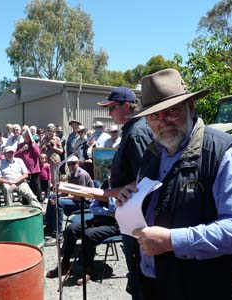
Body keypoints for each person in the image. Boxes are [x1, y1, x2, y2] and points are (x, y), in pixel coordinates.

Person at [116, 69, 232, 299]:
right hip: (155, 285)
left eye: (171, 111)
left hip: (207, 288)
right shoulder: (153, 152)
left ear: (191, 106)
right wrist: (129, 197)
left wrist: (173, 241)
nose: (162, 122)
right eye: (154, 116)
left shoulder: (224, 153)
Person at [94, 86, 153, 299]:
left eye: (112, 107)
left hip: (137, 216)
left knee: (139, 274)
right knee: (136, 272)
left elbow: (144, 179)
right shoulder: (131, 129)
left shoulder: (137, 132)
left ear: (127, 106)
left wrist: (110, 192)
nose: (109, 113)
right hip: (130, 212)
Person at [46, 196, 120, 286]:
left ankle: (88, 269)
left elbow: (115, 209)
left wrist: (108, 197)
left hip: (115, 224)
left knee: (88, 234)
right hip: (97, 219)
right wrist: (107, 212)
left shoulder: (121, 187)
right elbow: (93, 207)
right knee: (71, 228)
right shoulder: (105, 186)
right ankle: (65, 264)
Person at [44, 155, 94, 247]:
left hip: (85, 202)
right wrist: (57, 195)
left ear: (78, 163)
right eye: (69, 164)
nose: (71, 166)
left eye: (73, 164)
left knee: (58, 202)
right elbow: (68, 192)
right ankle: (49, 226)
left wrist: (60, 198)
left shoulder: (81, 175)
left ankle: (58, 234)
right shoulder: (71, 174)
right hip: (77, 199)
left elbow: (80, 197)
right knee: (52, 196)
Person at [15, 129, 42, 203]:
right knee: (26, 189)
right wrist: (22, 149)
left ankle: (39, 204)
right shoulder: (20, 145)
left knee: (37, 189)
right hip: (25, 171)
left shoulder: (34, 144)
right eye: (26, 136)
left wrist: (32, 142)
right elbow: (15, 156)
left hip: (35, 170)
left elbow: (37, 153)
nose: (27, 138)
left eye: (28, 136)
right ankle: (26, 204)